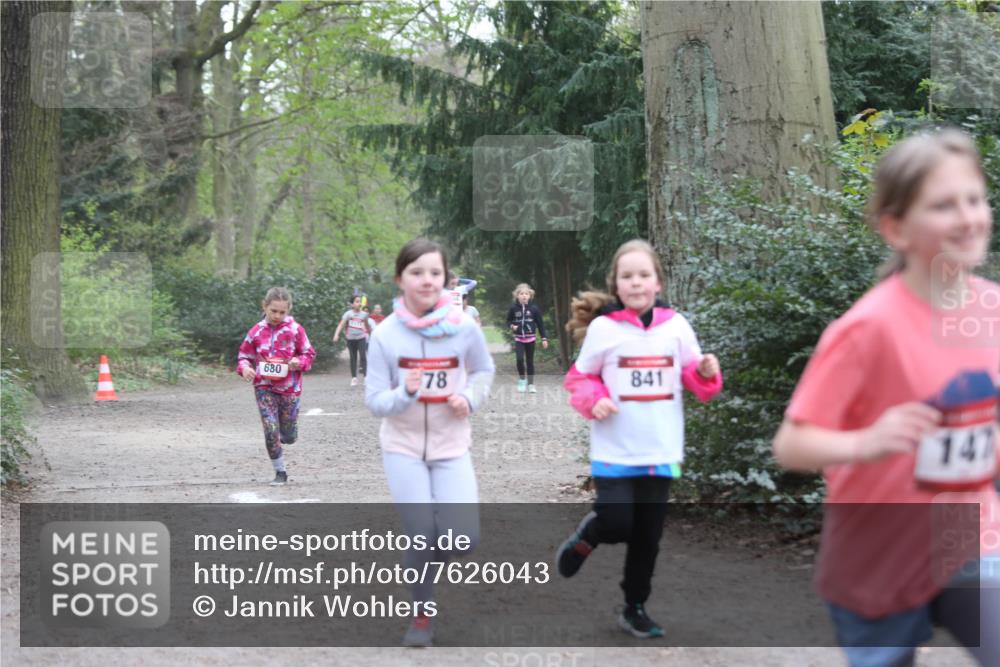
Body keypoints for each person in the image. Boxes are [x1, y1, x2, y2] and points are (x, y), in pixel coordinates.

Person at [772, 129, 1000, 667]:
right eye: (944, 205)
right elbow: (790, 445)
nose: (968, 217)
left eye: (974, 198)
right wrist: (867, 442)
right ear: (896, 228)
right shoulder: (867, 329)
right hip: (876, 555)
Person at [556, 239, 722, 638]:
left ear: (658, 283)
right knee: (616, 522)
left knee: (647, 536)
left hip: (660, 449)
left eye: (643, 275)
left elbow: (698, 383)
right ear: (616, 285)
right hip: (615, 448)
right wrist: (594, 400)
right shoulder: (604, 329)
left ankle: (635, 606)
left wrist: (704, 372)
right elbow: (580, 377)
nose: (636, 282)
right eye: (627, 276)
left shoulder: (676, 326)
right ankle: (588, 536)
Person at [365, 238, 495, 647]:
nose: (426, 280)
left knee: (463, 539)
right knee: (421, 533)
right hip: (402, 448)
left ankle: (417, 563)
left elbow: (483, 371)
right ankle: (422, 614)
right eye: (417, 272)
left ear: (446, 279)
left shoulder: (463, 327)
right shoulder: (385, 335)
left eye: (435, 273)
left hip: (451, 445)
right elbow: (374, 401)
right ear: (400, 278)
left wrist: (469, 397)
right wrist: (404, 392)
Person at [236, 287, 316, 485]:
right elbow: (244, 356)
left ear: (288, 310)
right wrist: (245, 368)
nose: (277, 316)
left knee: (287, 435)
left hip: (290, 389)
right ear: (265, 307)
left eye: (282, 312)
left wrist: (300, 362)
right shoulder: (256, 332)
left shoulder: (296, 330)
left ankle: (290, 432)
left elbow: (309, 354)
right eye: (273, 311)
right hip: (264, 388)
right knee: (271, 429)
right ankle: (280, 472)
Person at [505, 283, 548, 393]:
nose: (524, 296)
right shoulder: (513, 308)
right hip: (519, 339)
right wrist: (512, 326)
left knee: (530, 361)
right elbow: (508, 321)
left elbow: (540, 324)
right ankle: (522, 380)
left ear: (530, 296)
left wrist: (544, 338)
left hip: (530, 339)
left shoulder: (534, 309)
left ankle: (531, 384)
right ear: (517, 296)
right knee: (519, 360)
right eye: (521, 294)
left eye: (526, 294)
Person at [333, 295, 374, 386]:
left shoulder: (364, 314)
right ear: (352, 304)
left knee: (363, 357)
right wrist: (336, 335)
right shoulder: (348, 314)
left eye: (359, 301)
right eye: (356, 301)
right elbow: (341, 325)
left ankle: (366, 378)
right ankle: (354, 378)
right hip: (351, 340)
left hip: (361, 338)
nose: (359, 303)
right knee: (353, 358)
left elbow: (367, 327)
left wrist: (372, 336)